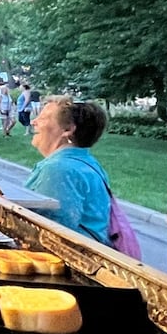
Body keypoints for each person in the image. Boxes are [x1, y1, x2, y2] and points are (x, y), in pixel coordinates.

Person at [23, 96, 112, 244]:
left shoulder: (59, 169)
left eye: (44, 118)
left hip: (70, 263)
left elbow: (51, 235)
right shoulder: (86, 163)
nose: (34, 122)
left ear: (68, 129)